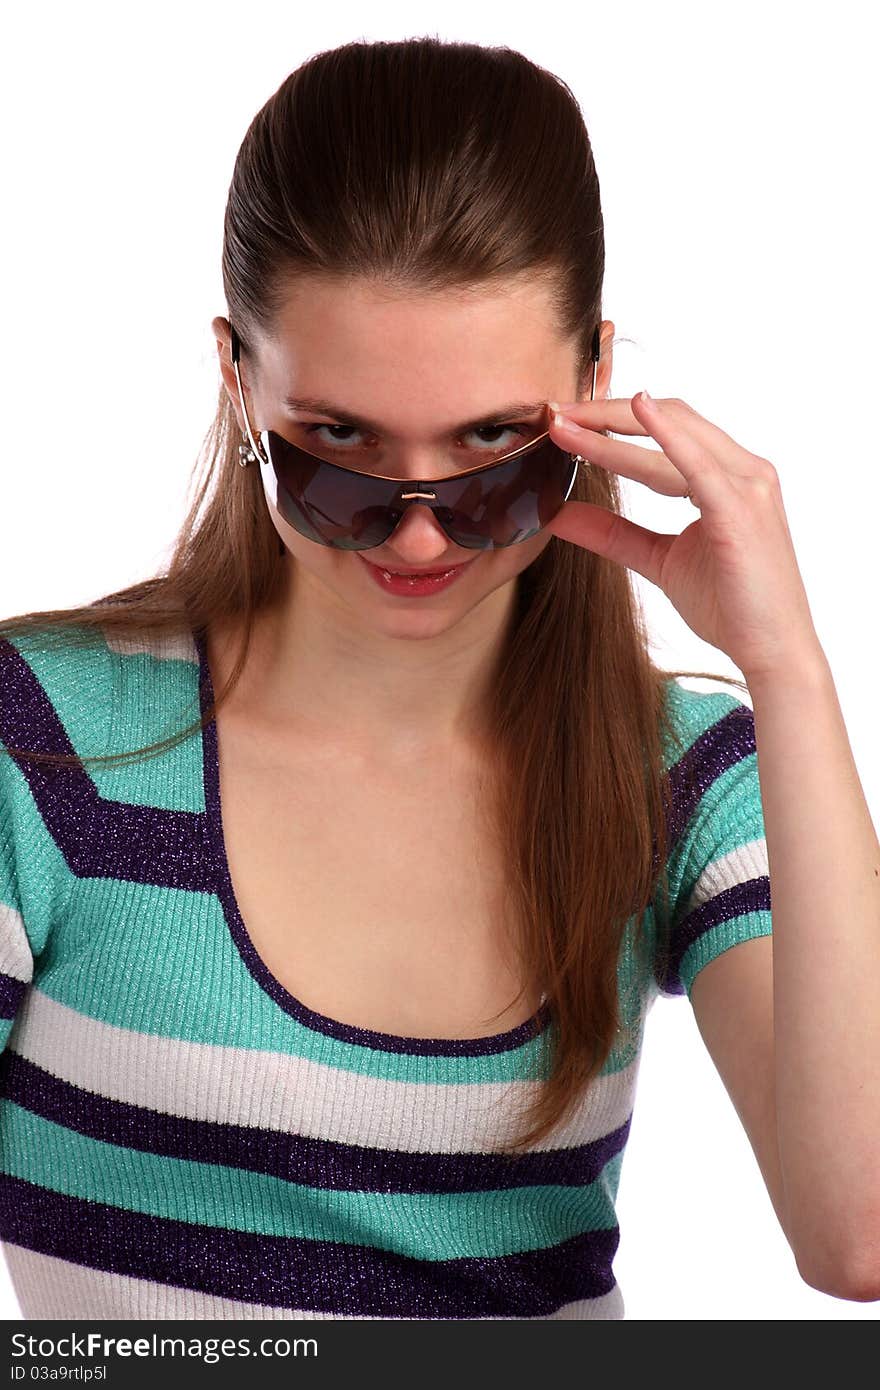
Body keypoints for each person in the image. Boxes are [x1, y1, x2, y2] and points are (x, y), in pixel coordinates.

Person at [1, 37, 877, 1322]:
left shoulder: (682, 783)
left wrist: (789, 664)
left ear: (591, 379)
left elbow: (856, 1232)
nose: (419, 534)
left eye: (491, 453)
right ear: (239, 376)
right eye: (338, 448)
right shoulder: (48, 743)